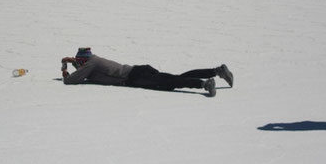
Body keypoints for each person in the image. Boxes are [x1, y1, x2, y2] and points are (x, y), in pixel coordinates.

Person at [60, 47, 234, 97]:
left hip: (135, 77)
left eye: (79, 63)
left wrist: (64, 69)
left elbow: (71, 81)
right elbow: (84, 72)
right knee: (176, 78)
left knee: (172, 81)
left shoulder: (91, 63)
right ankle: (216, 71)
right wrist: (73, 62)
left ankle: (204, 84)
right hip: (138, 72)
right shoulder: (93, 61)